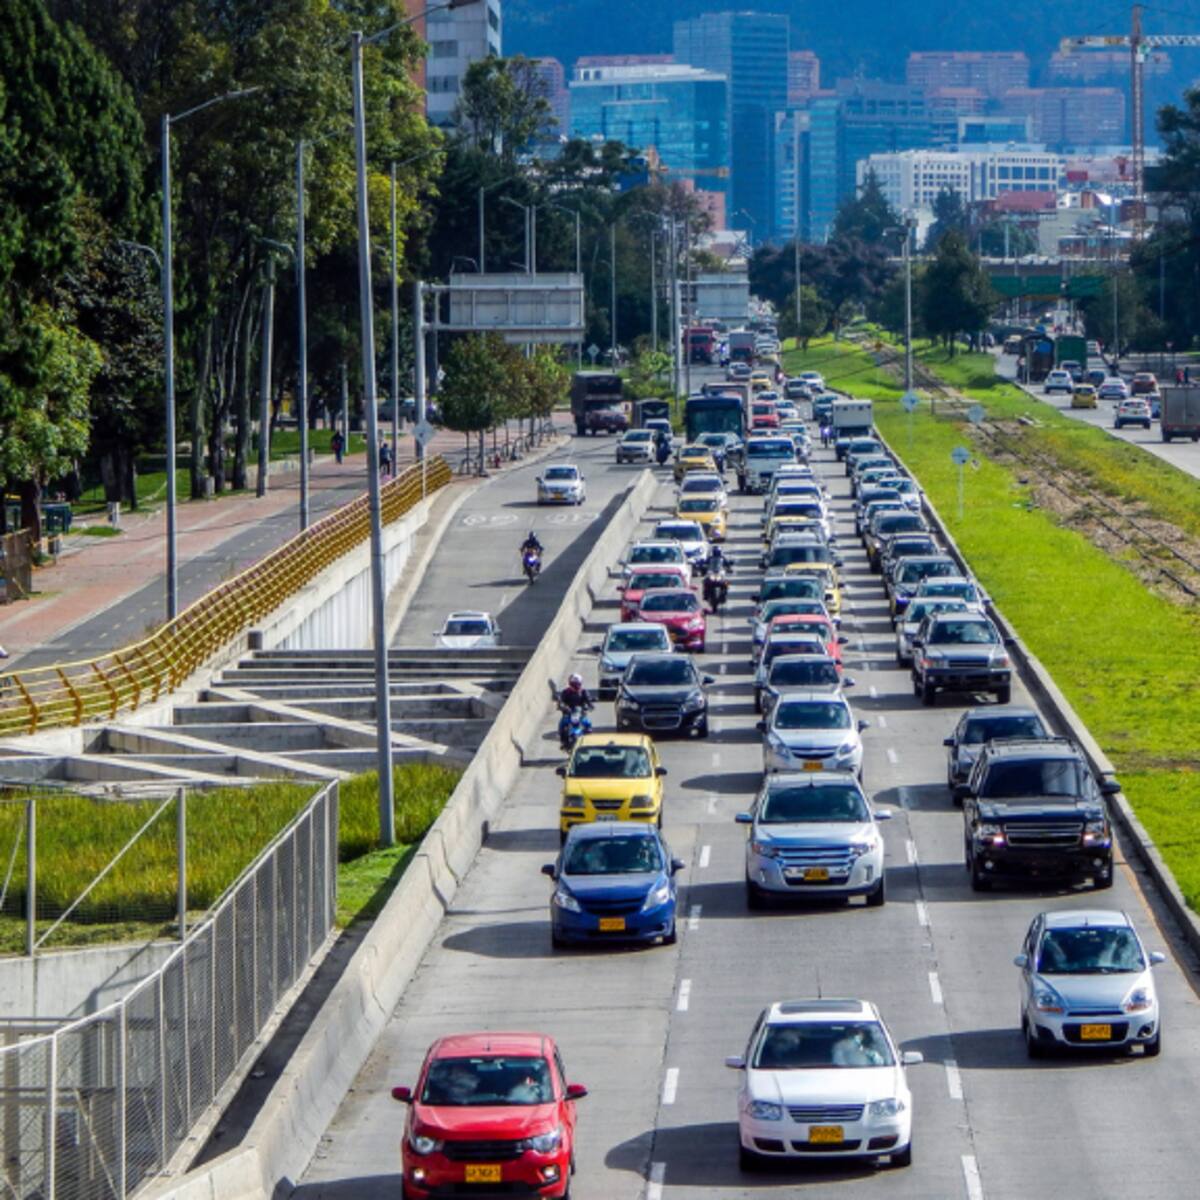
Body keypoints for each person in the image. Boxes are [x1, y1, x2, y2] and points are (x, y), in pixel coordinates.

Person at [557, 673, 593, 747]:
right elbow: (561, 701)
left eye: (577, 684)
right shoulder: (565, 692)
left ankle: (588, 741)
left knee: (588, 724)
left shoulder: (584, 692)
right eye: (573, 684)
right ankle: (563, 741)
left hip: (580, 713)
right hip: (568, 713)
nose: (576, 687)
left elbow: (588, 699)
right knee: (562, 724)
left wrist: (590, 705)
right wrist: (563, 706)